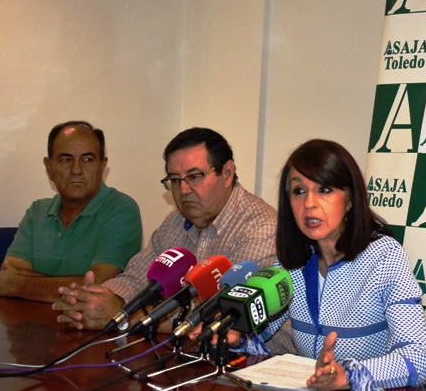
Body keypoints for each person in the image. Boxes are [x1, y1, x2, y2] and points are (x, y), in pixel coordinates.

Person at [232, 139, 426, 391]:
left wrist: (347, 376)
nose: (309, 204)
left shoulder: (384, 257)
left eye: (324, 189)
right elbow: (258, 338)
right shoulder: (288, 268)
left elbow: (418, 359)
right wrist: (235, 338)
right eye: (298, 191)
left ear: (350, 199)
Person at [52, 127, 279, 333]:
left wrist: (122, 315)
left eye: (195, 176)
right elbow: (135, 278)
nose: (183, 189)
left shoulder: (261, 228)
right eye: (174, 179)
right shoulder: (176, 220)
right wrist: (95, 300)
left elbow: (222, 317)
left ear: (227, 173)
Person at [0, 120, 143, 303]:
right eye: (66, 159)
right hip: (28, 327)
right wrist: (71, 284)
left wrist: (18, 285)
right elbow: (9, 273)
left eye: (87, 159)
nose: (76, 170)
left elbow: (97, 289)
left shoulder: (121, 209)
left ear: (102, 166)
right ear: (49, 167)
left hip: (90, 329)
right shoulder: (37, 211)